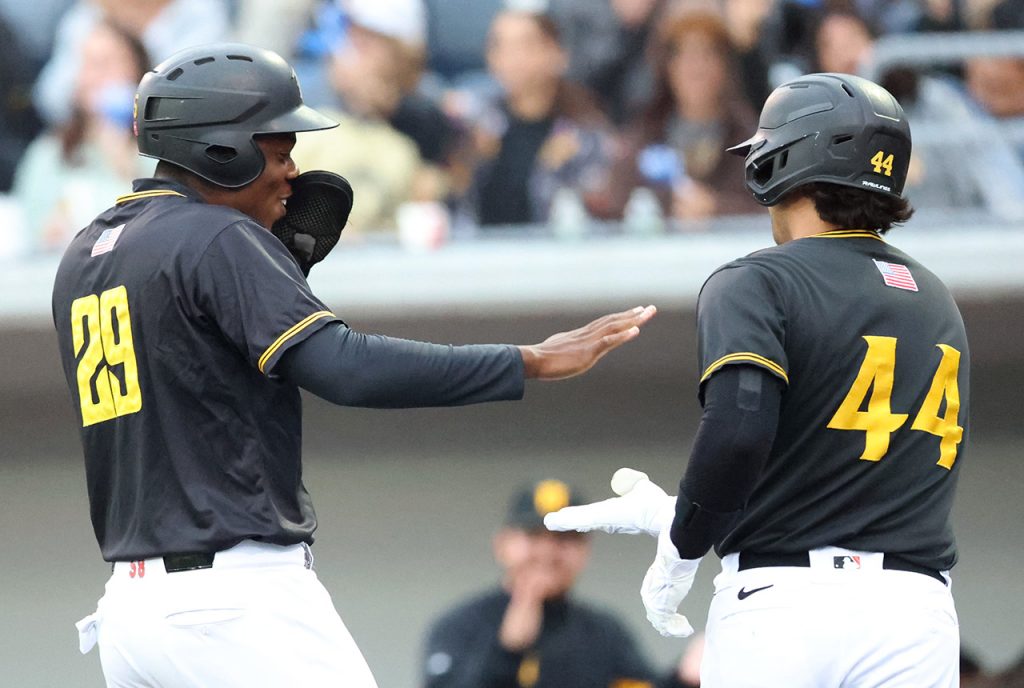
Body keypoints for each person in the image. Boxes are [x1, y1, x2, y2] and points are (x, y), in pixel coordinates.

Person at [51, 43, 656, 688]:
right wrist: (527, 360)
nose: (291, 173)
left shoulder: (87, 252)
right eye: (279, 152)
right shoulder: (217, 238)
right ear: (221, 150)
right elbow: (346, 368)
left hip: (131, 612)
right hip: (231, 603)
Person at [547, 73, 969, 687]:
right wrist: (682, 511)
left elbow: (739, 433)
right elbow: (839, 466)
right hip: (917, 609)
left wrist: (682, 540)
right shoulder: (935, 298)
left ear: (789, 157)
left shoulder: (757, 280)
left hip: (785, 603)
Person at [420, 478, 661, 688]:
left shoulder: (604, 632)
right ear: (502, 545)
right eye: (534, 536)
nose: (547, 553)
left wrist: (685, 676)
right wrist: (508, 651)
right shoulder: (460, 625)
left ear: (585, 551)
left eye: (565, 538)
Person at [597, 11, 761, 223]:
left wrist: (717, 208)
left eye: (708, 53)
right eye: (683, 54)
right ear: (667, 66)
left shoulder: (752, 139)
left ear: (726, 65)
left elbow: (775, 213)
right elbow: (615, 207)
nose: (696, 67)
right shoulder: (642, 138)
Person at [13, 20, 153, 253]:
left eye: (107, 63)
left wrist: (126, 166)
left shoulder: (163, 148)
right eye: (88, 64)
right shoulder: (49, 153)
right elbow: (32, 231)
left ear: (137, 71)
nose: (96, 76)